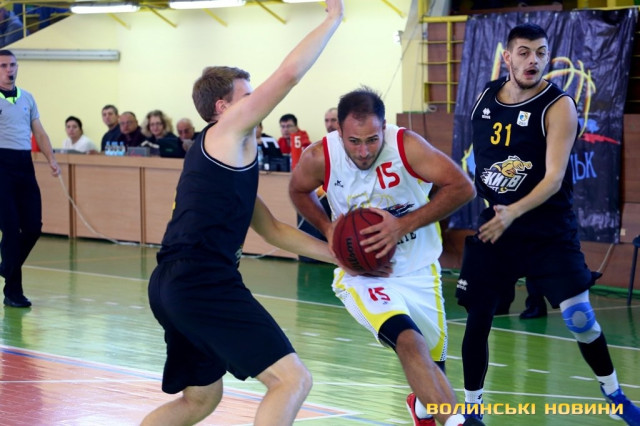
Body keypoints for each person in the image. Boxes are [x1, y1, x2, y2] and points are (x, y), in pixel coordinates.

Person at [142, 1, 344, 424]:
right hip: (200, 282)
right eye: (249, 96)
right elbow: (288, 75)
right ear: (223, 107)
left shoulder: (228, 159)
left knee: (199, 400)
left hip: (173, 283)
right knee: (292, 380)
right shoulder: (225, 133)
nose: (258, 102)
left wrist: (340, 257)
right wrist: (332, 19)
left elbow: (272, 230)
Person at [455, 23, 640, 425]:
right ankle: (472, 409)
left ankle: (614, 394)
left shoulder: (559, 106)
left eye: (540, 53)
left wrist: (513, 211)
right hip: (498, 225)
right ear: (507, 57)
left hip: (547, 230)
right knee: (479, 316)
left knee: (580, 319)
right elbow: (482, 161)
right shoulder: (485, 97)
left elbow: (554, 178)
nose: (533, 61)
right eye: (524, 52)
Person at [289, 87, 480, 426]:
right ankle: (459, 422)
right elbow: (298, 190)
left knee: (434, 371)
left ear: (384, 126)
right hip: (363, 276)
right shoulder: (320, 156)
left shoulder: (407, 146)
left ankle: (422, 408)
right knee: (409, 341)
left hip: (418, 268)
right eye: (354, 141)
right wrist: (327, 227)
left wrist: (402, 225)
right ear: (339, 131)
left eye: (372, 140)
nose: (363, 151)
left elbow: (463, 187)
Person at [0, 49, 60, 308]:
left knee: (33, 227)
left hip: (24, 164)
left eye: (12, 65)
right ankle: (13, 292)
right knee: (11, 229)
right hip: (1, 165)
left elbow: (40, 132)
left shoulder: (27, 97)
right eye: (3, 66)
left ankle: (7, 265)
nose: (9, 70)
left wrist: (51, 159)